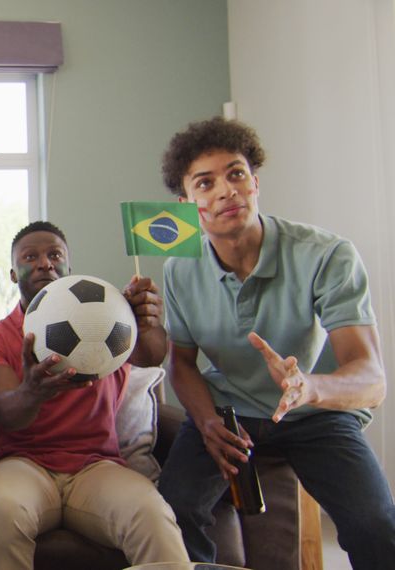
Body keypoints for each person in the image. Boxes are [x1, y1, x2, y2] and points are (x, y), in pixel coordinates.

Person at [156, 117, 395, 568]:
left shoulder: (326, 254)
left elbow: (371, 378)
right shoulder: (179, 270)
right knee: (174, 510)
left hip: (313, 413)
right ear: (188, 203)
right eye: (205, 183)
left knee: (376, 525)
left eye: (236, 174)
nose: (226, 190)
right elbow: (182, 364)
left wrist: (310, 387)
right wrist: (207, 424)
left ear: (255, 182)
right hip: (228, 413)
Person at [0, 221, 188, 568]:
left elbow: (150, 354)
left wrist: (144, 322)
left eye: (55, 254)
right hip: (23, 465)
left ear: (69, 266)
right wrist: (32, 391)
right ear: (14, 274)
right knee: (5, 513)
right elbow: (4, 412)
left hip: (97, 467)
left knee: (152, 514)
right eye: (31, 257)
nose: (45, 263)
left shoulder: (107, 318)